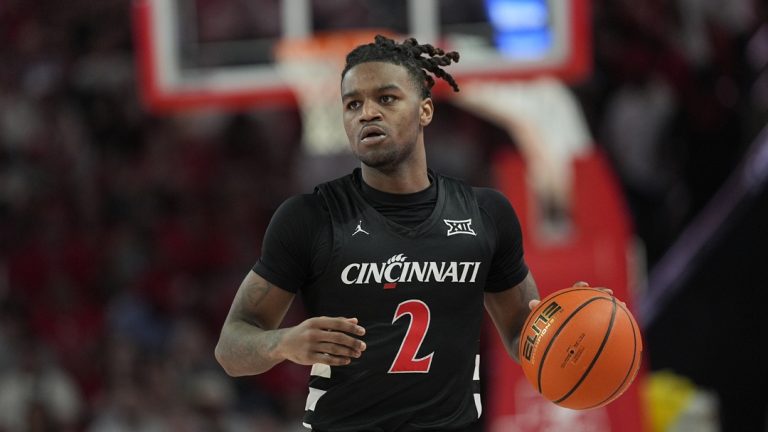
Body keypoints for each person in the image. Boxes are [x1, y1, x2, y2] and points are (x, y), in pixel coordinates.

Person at [215, 35, 543, 432]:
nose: (367, 113)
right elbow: (230, 347)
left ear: (425, 110)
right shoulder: (310, 218)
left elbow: (523, 335)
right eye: (353, 104)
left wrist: (574, 320)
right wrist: (282, 343)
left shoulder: (486, 213)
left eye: (386, 98)